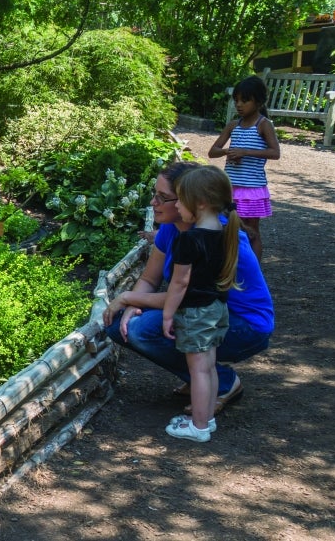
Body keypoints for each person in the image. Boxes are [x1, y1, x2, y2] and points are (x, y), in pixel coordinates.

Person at [102, 160, 274, 418]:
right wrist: (136, 304)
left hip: (244, 325)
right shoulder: (172, 229)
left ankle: (222, 386)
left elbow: (186, 295)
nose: (153, 203)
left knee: (139, 330)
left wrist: (128, 297)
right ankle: (204, 380)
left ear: (192, 200)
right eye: (154, 195)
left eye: (163, 197)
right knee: (120, 325)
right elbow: (150, 279)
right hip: (204, 311)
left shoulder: (212, 236)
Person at [160, 165, 240, 442]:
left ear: (201, 203)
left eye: (181, 199)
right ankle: (207, 418)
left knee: (198, 370)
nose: (177, 205)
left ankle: (198, 427)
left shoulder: (189, 240)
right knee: (209, 366)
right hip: (217, 309)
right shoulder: (224, 232)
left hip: (195, 313)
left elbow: (179, 283)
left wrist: (168, 314)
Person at [208, 75, 280, 260]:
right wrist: (228, 152)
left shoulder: (263, 125)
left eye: (245, 100)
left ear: (259, 102)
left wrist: (245, 152)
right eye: (236, 100)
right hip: (229, 188)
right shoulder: (233, 125)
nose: (239, 105)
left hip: (252, 189)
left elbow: (275, 153)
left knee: (251, 231)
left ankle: (254, 270)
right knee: (228, 227)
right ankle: (231, 266)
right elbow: (213, 151)